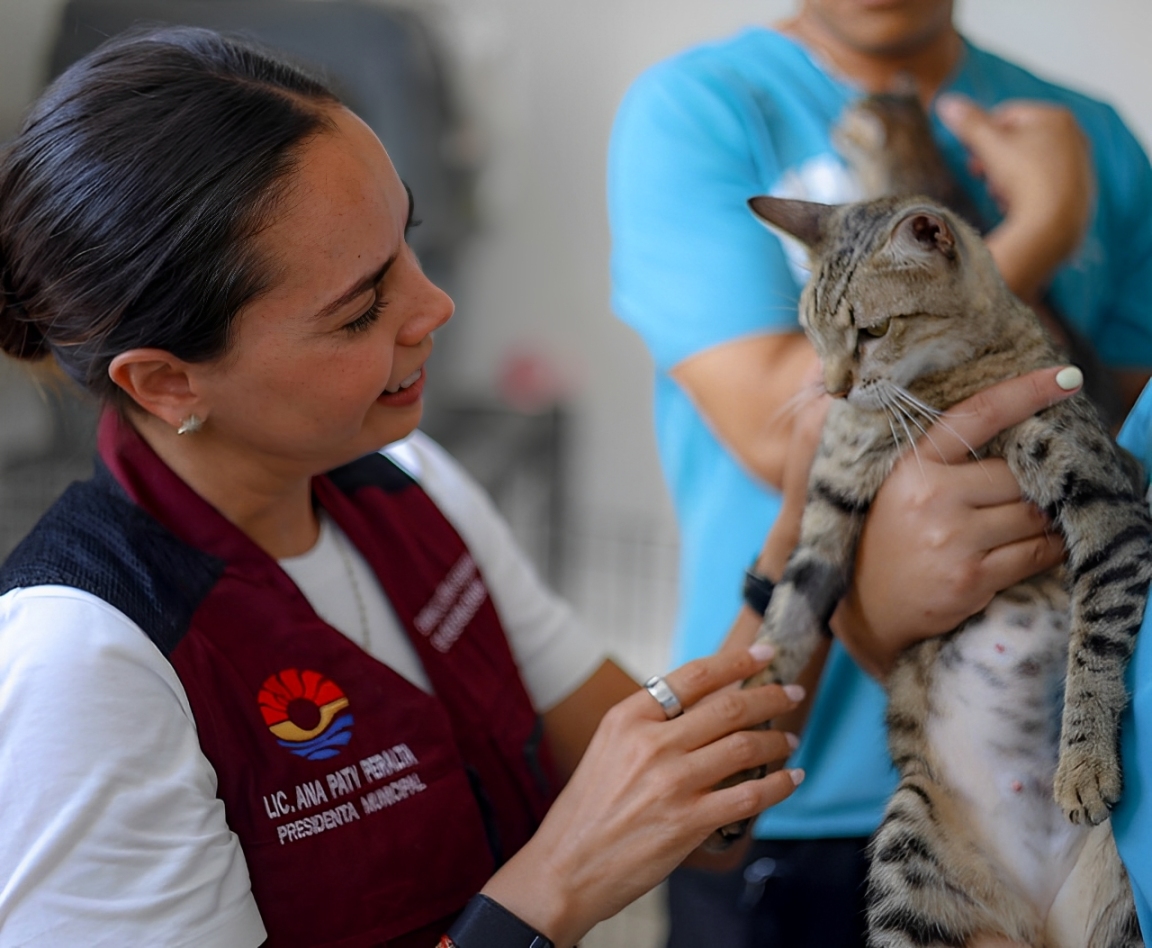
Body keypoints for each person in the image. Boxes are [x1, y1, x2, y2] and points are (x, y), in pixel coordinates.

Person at [0, 28, 812, 948]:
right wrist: (558, 882)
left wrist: (810, 548)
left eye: (407, 244)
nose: (434, 309)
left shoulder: (412, 492)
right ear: (167, 382)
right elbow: (600, 847)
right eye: (361, 310)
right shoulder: (87, 661)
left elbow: (707, 824)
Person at [607, 0, 1152, 943]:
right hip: (790, 781)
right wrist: (1047, 222)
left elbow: (1128, 446)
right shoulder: (701, 106)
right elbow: (789, 422)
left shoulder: (1095, 133)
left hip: (1091, 765)